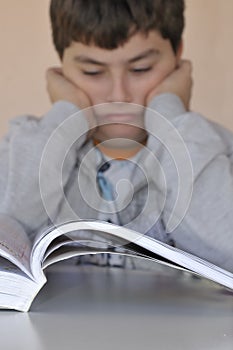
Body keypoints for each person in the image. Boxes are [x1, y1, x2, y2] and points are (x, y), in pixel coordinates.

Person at [0, 0, 232, 271]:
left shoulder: (217, 156)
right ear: (62, 66)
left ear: (177, 57)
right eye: (93, 72)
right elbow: (6, 233)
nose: (119, 96)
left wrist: (169, 117)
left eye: (141, 69)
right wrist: (64, 119)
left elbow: (227, 246)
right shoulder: (30, 147)